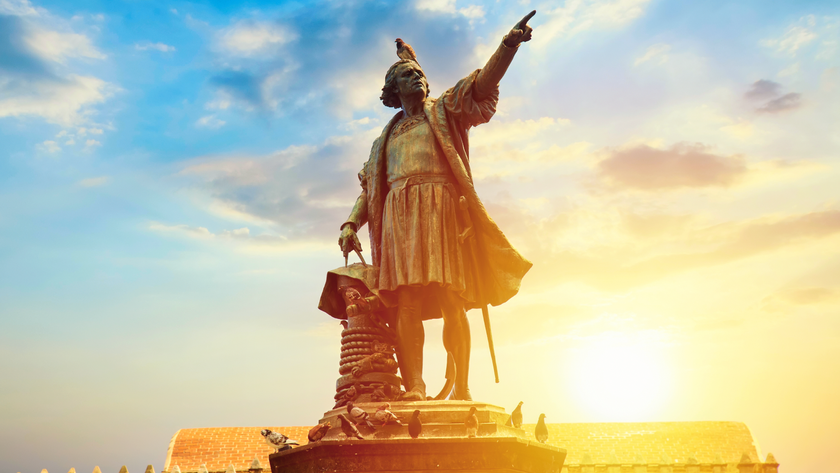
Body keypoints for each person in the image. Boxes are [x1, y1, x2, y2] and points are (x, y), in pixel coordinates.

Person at [338, 12, 536, 401]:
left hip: (442, 210)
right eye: (408, 75)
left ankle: (461, 387)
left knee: (452, 299)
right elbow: (371, 189)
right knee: (406, 304)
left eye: (420, 74)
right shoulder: (385, 139)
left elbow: (482, 83)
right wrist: (350, 222)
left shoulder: (445, 111)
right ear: (394, 89)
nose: (419, 78)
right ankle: (415, 386)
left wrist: (507, 46)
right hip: (398, 217)